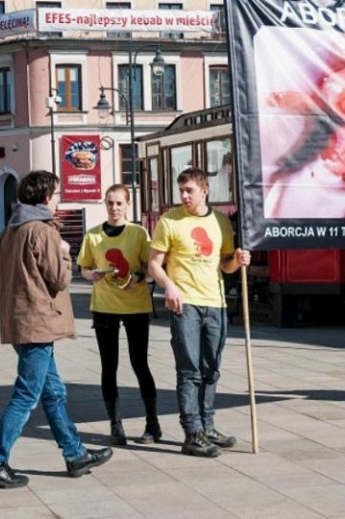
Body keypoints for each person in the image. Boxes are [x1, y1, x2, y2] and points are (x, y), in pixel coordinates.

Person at [0, 170, 112, 489]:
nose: (58, 199)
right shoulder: (42, 230)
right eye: (56, 194)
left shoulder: (12, 228)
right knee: (27, 393)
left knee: (54, 392)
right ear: (45, 197)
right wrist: (65, 253)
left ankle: (75, 452)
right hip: (37, 322)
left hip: (19, 317)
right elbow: (60, 279)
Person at [148, 167, 251, 458]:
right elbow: (154, 264)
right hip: (186, 304)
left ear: (204, 191)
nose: (184, 196)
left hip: (215, 303)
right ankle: (192, 433)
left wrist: (239, 260)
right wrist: (168, 285)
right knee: (189, 370)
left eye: (189, 190)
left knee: (211, 368)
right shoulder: (169, 221)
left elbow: (225, 264)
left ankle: (207, 426)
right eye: (181, 190)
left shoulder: (220, 222)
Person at [77, 184, 160, 446]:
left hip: (135, 306)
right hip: (104, 306)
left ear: (128, 204)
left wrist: (138, 277)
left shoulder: (138, 233)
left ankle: (152, 423)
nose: (114, 208)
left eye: (119, 204)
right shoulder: (93, 236)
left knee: (139, 363)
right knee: (108, 366)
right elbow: (84, 269)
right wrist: (94, 275)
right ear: (105, 204)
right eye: (110, 203)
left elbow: (151, 268)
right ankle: (115, 425)